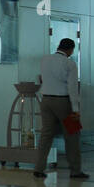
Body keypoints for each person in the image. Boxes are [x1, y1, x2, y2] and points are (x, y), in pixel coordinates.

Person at [33, 37, 87, 179]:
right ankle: (75, 170)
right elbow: (72, 88)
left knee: (46, 135)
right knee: (72, 135)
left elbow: (42, 78)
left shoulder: (45, 59)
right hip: (63, 102)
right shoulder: (69, 63)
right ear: (70, 49)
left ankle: (38, 168)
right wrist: (75, 110)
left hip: (45, 101)